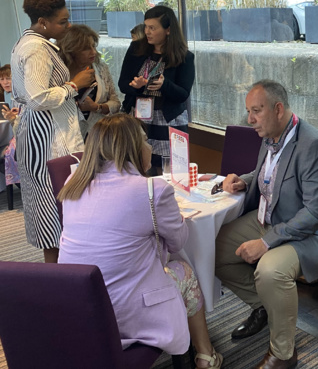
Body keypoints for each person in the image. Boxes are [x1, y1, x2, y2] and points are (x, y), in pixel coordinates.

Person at [57, 113, 222, 368]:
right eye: (145, 141)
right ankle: (205, 355)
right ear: (131, 147)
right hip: (126, 310)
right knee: (185, 272)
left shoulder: (73, 183)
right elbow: (178, 243)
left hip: (77, 304)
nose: (149, 147)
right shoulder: (151, 191)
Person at [215, 79, 318, 369]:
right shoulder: (271, 135)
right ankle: (263, 307)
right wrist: (244, 180)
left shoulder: (314, 146)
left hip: (315, 234)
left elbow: (315, 214)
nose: (249, 119)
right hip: (277, 217)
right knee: (215, 248)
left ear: (278, 109)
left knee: (270, 270)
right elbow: (268, 173)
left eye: (256, 111)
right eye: (248, 111)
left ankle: (283, 354)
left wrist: (265, 242)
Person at [11, 0, 94, 263]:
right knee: (55, 208)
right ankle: (59, 280)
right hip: (46, 136)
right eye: (62, 21)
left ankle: (64, 277)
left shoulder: (34, 42)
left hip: (42, 130)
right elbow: (37, 98)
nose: (67, 25)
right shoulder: (36, 48)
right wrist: (73, 85)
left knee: (58, 205)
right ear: (43, 22)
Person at [118, 6, 194, 173]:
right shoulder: (136, 49)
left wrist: (164, 85)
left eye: (152, 28)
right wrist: (136, 87)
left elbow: (183, 94)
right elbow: (123, 84)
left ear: (168, 30)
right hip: (139, 118)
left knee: (170, 170)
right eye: (146, 27)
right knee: (138, 166)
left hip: (169, 119)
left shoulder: (184, 57)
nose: (147, 32)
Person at [58, 24, 120, 138]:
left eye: (94, 46)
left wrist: (97, 107)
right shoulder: (58, 72)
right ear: (72, 49)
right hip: (67, 136)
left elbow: (116, 103)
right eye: (86, 48)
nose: (93, 52)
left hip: (98, 134)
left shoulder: (100, 68)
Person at [0, 65, 20, 189]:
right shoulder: (13, 97)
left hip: (24, 139)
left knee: (7, 151)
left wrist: (13, 119)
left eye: (8, 78)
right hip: (18, 137)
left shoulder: (20, 97)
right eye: (2, 79)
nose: (5, 82)